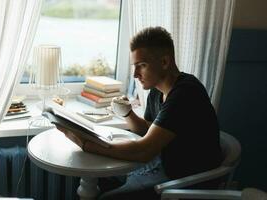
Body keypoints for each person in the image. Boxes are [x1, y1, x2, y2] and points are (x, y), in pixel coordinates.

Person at [56, 26, 222, 199]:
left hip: (186, 181)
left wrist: (86, 144)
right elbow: (148, 130)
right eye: (134, 66)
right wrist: (127, 113)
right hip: (163, 166)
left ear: (164, 62)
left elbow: (144, 151)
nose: (135, 74)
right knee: (98, 178)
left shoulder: (185, 93)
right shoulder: (157, 90)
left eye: (142, 66)